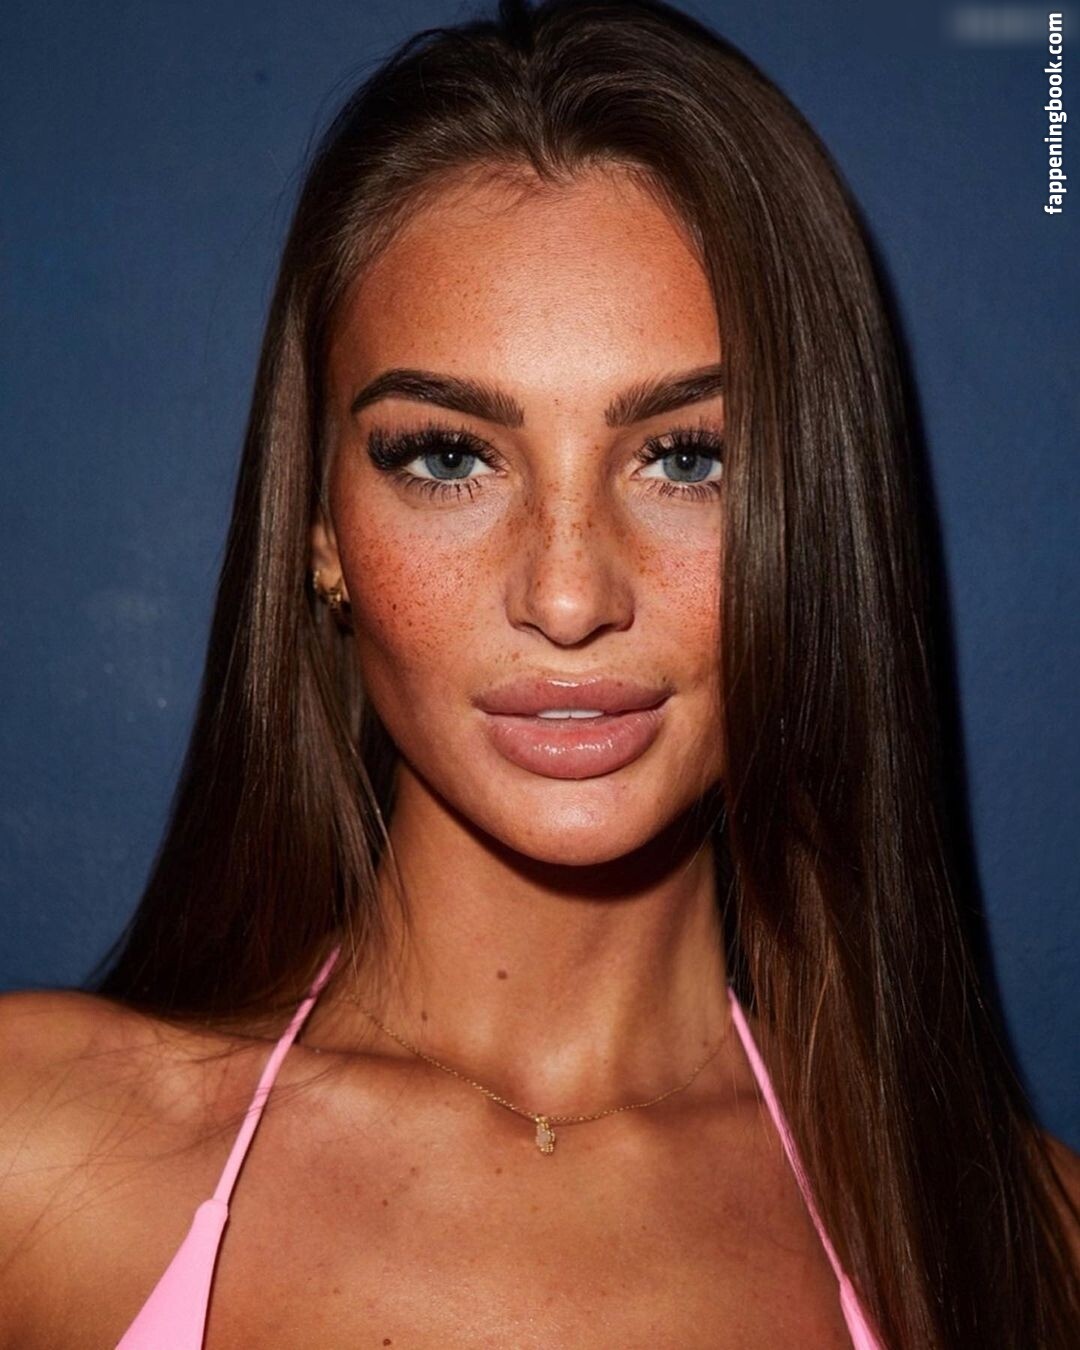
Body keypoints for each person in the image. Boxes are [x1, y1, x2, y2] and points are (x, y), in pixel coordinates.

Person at [1, 1, 1077, 1345]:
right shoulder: (33, 1157)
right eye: (449, 457)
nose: (568, 598)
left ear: (817, 518)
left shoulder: (1031, 1250)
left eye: (687, 458)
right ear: (322, 530)